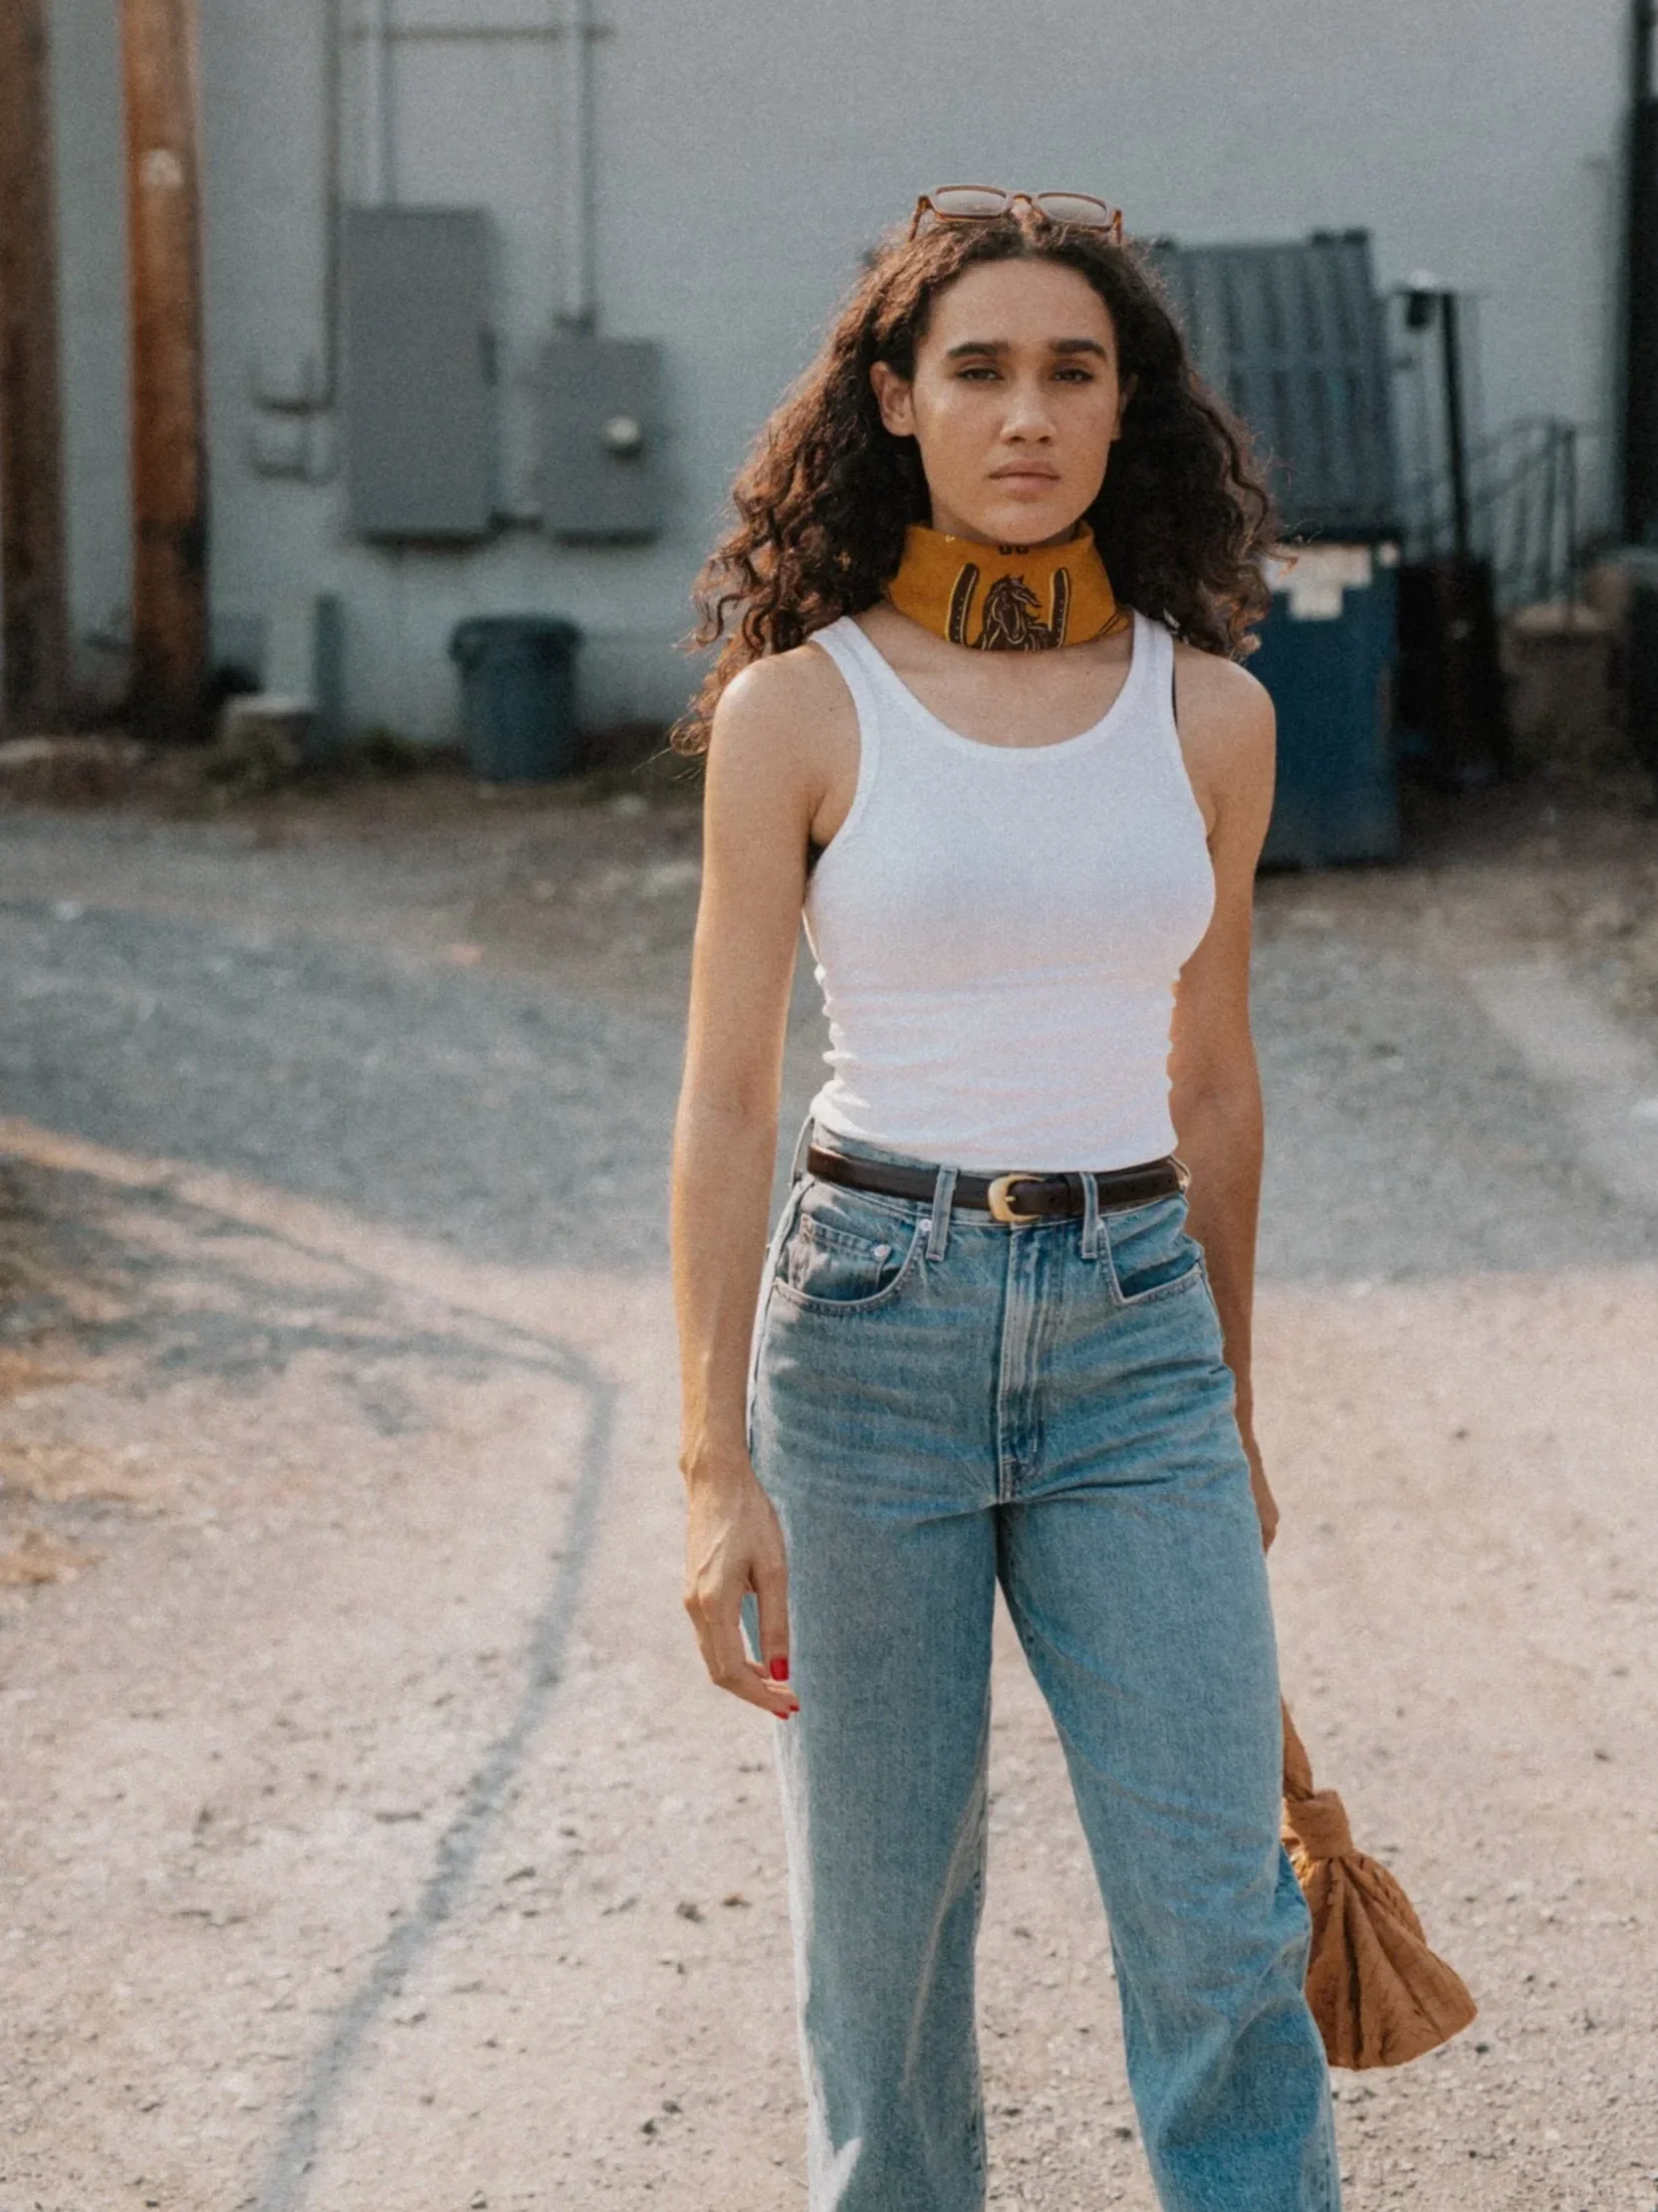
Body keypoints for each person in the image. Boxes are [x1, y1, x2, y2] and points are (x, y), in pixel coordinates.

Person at [669, 186, 1340, 2212]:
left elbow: (1212, 1081)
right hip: (865, 1329)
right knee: (878, 1959)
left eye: (1073, 371)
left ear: (1126, 411)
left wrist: (1221, 1400)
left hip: (1136, 1334)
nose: (1025, 414)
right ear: (893, 399)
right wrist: (712, 1469)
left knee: (1220, 1926)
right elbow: (723, 1099)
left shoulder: (1210, 715)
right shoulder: (799, 707)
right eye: (975, 369)